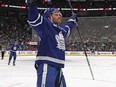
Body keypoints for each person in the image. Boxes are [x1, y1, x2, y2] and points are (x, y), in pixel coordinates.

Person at [25, 0, 78, 87]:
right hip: (47, 64)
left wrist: (72, 20)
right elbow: (33, 18)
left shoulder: (61, 30)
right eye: (56, 14)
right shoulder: (45, 25)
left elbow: (68, 28)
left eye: (60, 15)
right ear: (49, 16)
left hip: (58, 67)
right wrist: (32, 4)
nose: (59, 16)